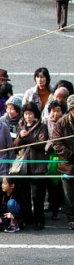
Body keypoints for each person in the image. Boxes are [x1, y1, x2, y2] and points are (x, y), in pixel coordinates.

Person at [14, 101, 49, 230]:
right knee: (24, 196)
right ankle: (27, 219)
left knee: (37, 197)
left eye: (30, 114)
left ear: (35, 114)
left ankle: (39, 221)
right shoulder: (21, 125)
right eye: (26, 114)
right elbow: (15, 145)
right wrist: (19, 136)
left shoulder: (42, 126)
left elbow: (41, 144)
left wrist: (26, 137)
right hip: (23, 167)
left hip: (37, 167)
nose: (28, 116)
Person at [51, 94, 74, 231]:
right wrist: (70, 155)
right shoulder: (62, 123)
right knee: (69, 194)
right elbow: (57, 142)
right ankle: (71, 218)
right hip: (68, 165)